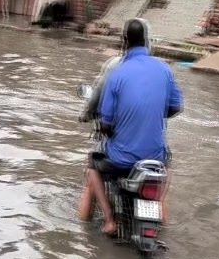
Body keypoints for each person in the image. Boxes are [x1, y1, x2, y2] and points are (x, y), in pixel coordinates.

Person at [79, 18, 184, 236]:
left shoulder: (116, 73)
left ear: (125, 41)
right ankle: (162, 216)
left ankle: (108, 220)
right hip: (155, 157)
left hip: (121, 160)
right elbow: (176, 107)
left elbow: (106, 124)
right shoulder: (164, 69)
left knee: (92, 166)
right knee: (168, 164)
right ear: (147, 41)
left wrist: (112, 127)